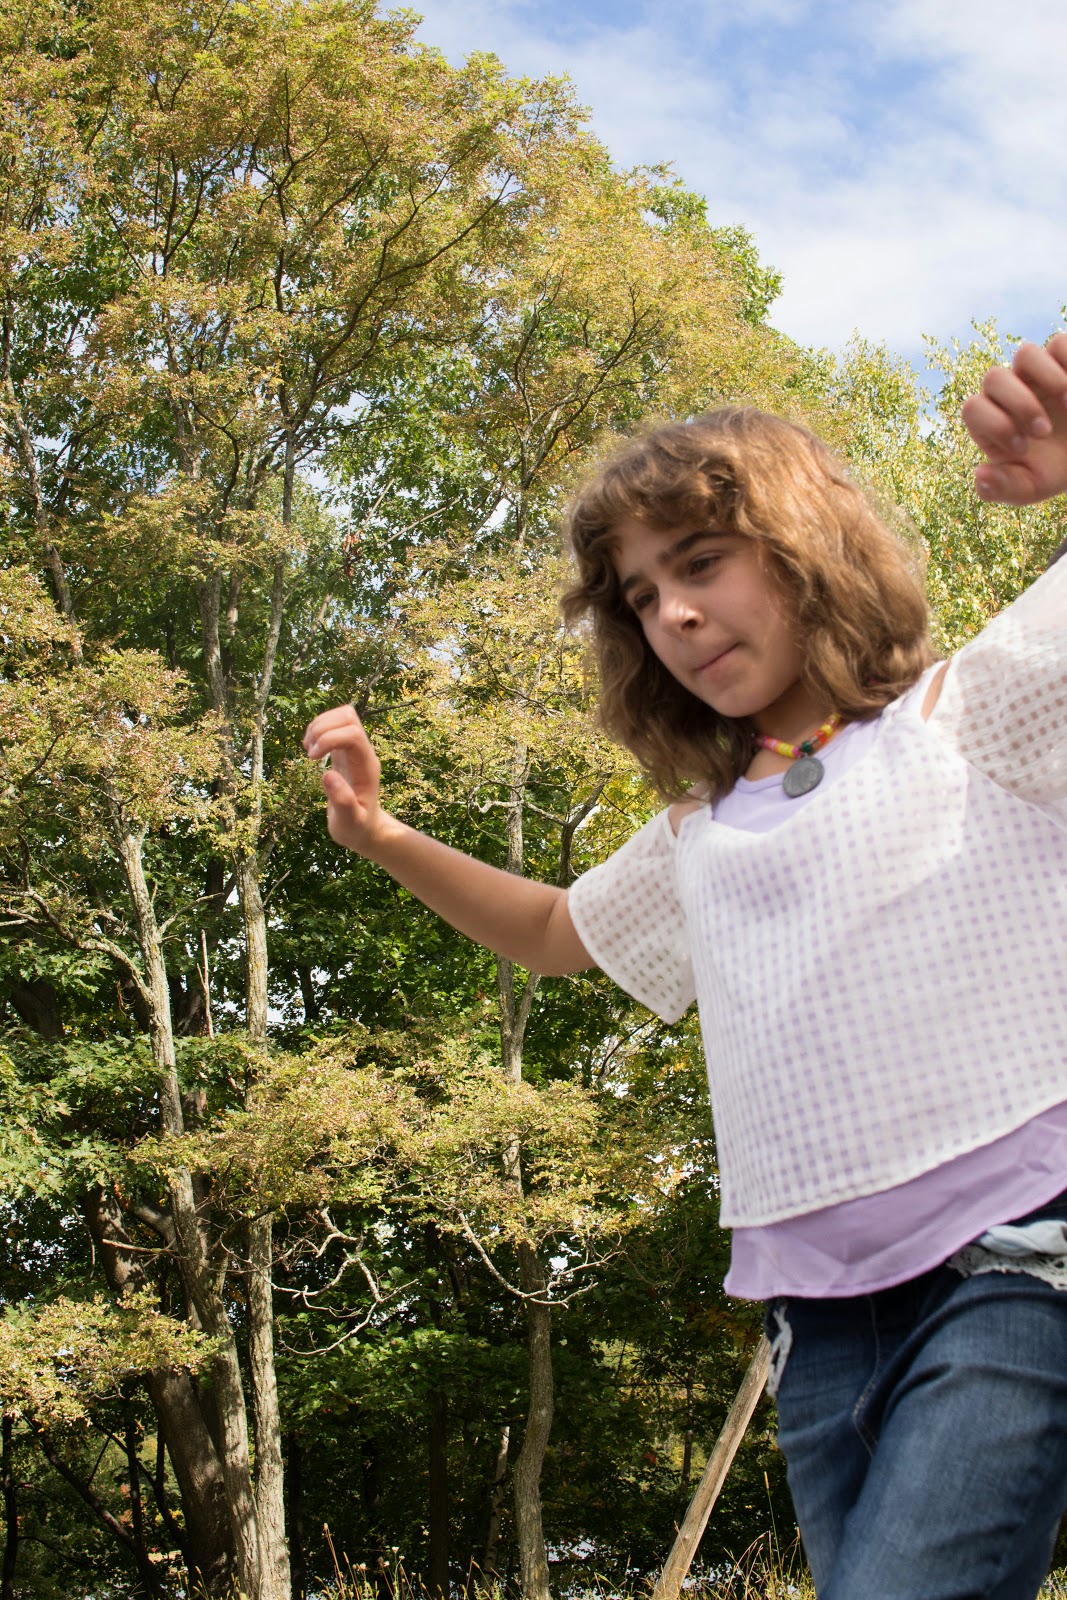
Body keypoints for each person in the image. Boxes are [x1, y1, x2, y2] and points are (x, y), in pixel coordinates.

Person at [304, 334, 1067, 1599]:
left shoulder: (968, 715)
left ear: (807, 547)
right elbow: (555, 931)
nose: (673, 612)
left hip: (1014, 1262)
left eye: (701, 561)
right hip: (816, 1328)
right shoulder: (700, 834)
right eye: (641, 595)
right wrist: (382, 837)